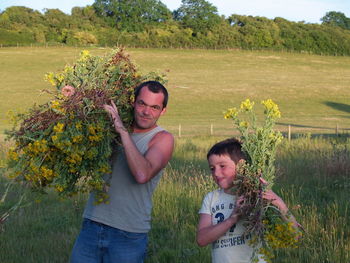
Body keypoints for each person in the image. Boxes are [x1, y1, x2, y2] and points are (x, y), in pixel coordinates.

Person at [71, 81, 174, 263]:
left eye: (154, 107)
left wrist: (122, 132)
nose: (146, 111)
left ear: (163, 111)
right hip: (92, 224)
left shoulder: (162, 139)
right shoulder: (109, 128)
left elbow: (142, 174)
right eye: (142, 103)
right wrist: (74, 97)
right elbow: (89, 115)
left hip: (128, 234)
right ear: (134, 102)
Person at [196, 138, 298, 263]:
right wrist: (232, 219)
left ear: (242, 166)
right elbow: (201, 239)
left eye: (222, 166)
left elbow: (294, 235)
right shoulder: (211, 198)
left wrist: (278, 202)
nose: (216, 173)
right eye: (212, 168)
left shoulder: (256, 196)